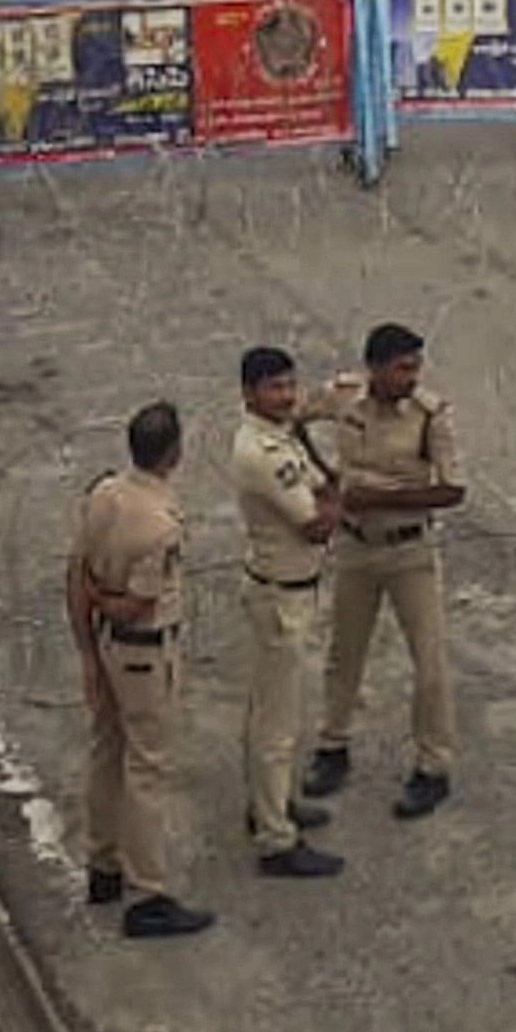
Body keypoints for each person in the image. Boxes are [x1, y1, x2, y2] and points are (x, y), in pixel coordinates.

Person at [302, 324, 466, 820]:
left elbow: (453, 490)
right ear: (373, 367)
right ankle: (333, 745)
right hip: (355, 546)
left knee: (429, 662)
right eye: (402, 367)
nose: (411, 377)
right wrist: (325, 478)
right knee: (344, 652)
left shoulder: (430, 415)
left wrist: (381, 497)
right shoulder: (343, 397)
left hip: (409, 550)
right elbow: (292, 420)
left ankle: (433, 766)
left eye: (416, 366)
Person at [67, 402, 211, 938]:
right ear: (174, 453)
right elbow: (135, 605)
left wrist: (87, 654)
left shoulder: (103, 496)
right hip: (145, 653)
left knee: (106, 752)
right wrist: (108, 599)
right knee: (148, 768)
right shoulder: (159, 526)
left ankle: (102, 863)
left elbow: (75, 577)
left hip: (107, 649)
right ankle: (148, 891)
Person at [227, 348, 346, 879]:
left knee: (273, 712)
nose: (287, 395)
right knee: (275, 724)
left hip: (284, 586)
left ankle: (270, 803)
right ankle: (276, 838)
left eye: (290, 385)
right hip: (283, 594)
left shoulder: (278, 435)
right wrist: (344, 492)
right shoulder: (264, 452)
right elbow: (314, 523)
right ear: (250, 393)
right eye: (275, 388)